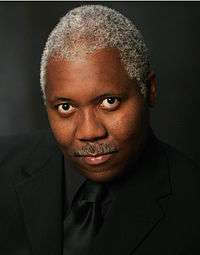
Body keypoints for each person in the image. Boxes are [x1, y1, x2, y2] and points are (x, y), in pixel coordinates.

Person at [0, 4, 200, 255]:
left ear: (150, 90)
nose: (89, 132)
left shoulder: (192, 206)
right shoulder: (4, 168)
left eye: (109, 102)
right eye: (65, 107)